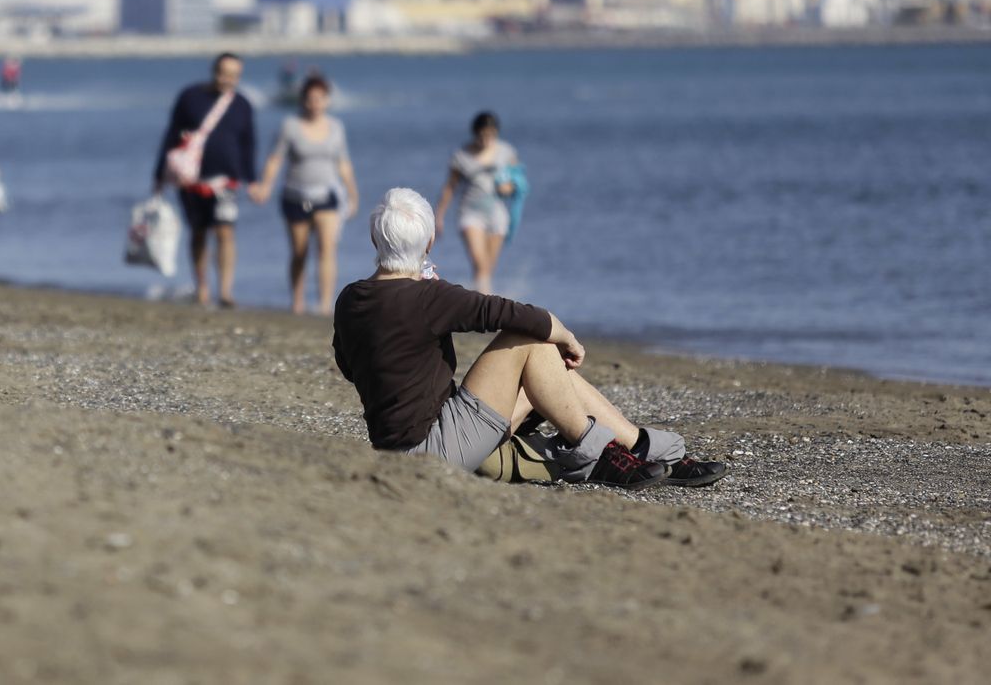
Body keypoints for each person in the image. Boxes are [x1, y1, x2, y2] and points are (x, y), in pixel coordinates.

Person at [334, 189, 727, 489]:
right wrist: (568, 338)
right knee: (532, 341)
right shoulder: (427, 297)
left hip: (401, 444)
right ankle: (605, 455)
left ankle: (643, 449)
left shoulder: (350, 299)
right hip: (431, 448)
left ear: (375, 242)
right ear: (429, 243)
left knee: (556, 378)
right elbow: (517, 315)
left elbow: (350, 367)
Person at [250, 72, 360, 314]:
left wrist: (353, 194)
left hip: (327, 197)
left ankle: (324, 303)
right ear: (302, 100)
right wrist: (265, 186)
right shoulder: (290, 126)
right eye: (310, 98)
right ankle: (297, 302)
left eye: (320, 98)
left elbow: (344, 164)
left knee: (327, 248)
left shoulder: (336, 127)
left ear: (327, 100)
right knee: (299, 252)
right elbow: (275, 160)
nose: (315, 104)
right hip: (295, 196)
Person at [153, 52, 257, 307]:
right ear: (214, 71)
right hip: (191, 178)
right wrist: (159, 175)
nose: (227, 79)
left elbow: (248, 143)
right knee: (198, 232)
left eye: (233, 75)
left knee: (225, 231)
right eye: (223, 73)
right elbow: (171, 135)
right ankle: (202, 288)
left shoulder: (242, 105)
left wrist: (252, 179)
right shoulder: (190, 97)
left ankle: (225, 291)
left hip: (227, 180)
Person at [434, 111, 519, 294]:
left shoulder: (506, 152)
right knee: (480, 264)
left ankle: (482, 302)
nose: (486, 139)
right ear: (475, 133)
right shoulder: (461, 155)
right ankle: (484, 307)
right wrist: (439, 216)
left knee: (487, 267)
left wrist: (509, 188)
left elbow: (518, 180)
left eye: (491, 135)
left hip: (497, 214)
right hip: (470, 213)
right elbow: (450, 187)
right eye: (482, 135)